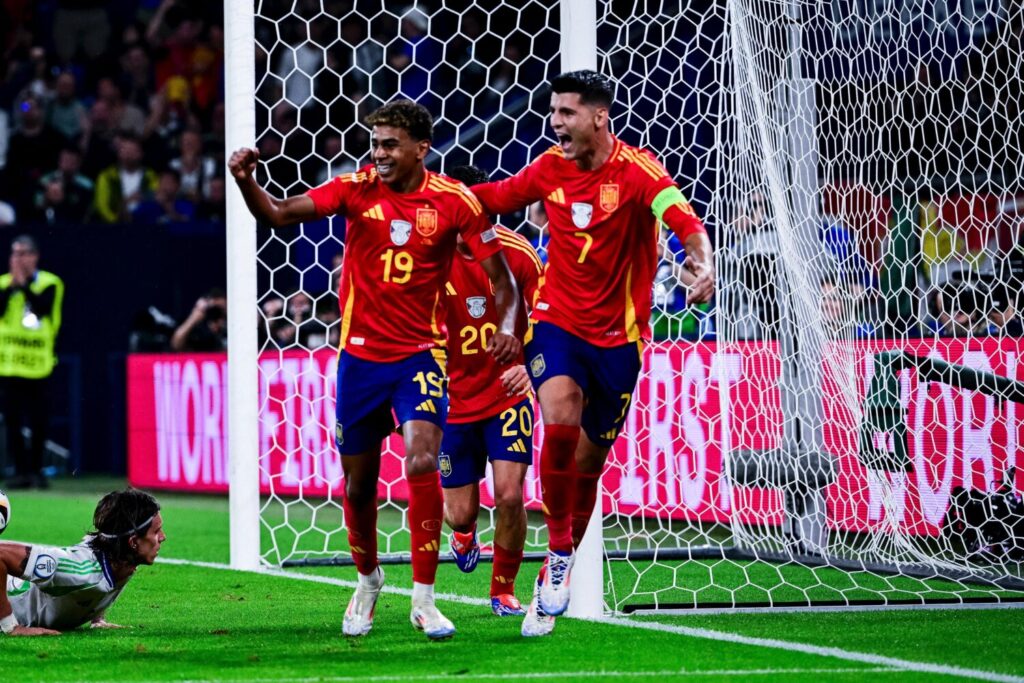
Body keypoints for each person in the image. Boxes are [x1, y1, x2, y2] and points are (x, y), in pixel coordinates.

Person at [228, 99, 521, 640]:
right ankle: (367, 581)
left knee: (422, 459)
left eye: (390, 144)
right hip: (360, 358)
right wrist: (247, 181)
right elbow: (277, 214)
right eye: (375, 143)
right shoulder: (354, 189)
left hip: (421, 353)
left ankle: (425, 600)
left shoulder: (454, 200)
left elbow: (502, 279)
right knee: (359, 487)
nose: (379, 153)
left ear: (421, 149)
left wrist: (507, 328)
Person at [470, 70, 715, 636]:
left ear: (599, 117)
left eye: (566, 113)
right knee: (558, 420)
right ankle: (559, 553)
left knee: (586, 466)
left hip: (620, 340)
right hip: (556, 324)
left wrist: (703, 261)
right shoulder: (548, 168)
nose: (555, 122)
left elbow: (684, 221)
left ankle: (554, 571)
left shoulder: (639, 171)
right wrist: (428, 195)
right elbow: (496, 196)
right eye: (553, 111)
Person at [440, 165, 543, 618]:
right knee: (460, 513)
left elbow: (547, 319)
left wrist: (530, 371)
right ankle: (464, 535)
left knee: (510, 495)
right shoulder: (431, 257)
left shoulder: (518, 255)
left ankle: (503, 589)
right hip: (452, 401)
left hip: (507, 395)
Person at [0, 489, 165, 636]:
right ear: (133, 542)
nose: (163, 537)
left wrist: (97, 617)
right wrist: (10, 626)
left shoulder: (124, 559)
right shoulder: (79, 571)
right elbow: (1, 554)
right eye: (156, 531)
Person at [0, 236, 65, 490]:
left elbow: (42, 309)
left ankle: (37, 472)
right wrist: (12, 286)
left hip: (39, 366)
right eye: (14, 253)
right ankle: (20, 473)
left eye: (23, 253)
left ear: (34, 256)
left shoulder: (50, 283)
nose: (18, 259)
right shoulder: (2, 283)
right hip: (9, 366)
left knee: (39, 422)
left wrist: (24, 284)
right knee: (13, 422)